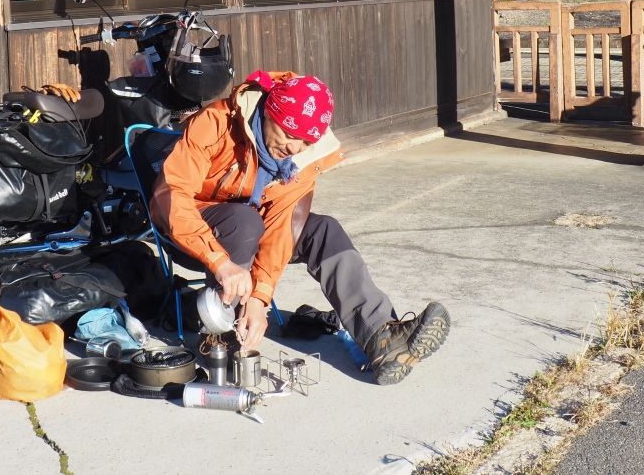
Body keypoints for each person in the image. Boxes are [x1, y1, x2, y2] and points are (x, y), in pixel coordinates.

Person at [149, 70, 450, 386]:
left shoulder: (299, 162)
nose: (296, 148)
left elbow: (280, 227)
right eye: (290, 135)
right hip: (188, 228)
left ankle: (381, 338)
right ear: (269, 112)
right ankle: (224, 335)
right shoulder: (217, 124)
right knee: (246, 220)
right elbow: (172, 193)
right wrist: (220, 263)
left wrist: (259, 299)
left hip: (249, 232)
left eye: (306, 141)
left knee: (324, 231)